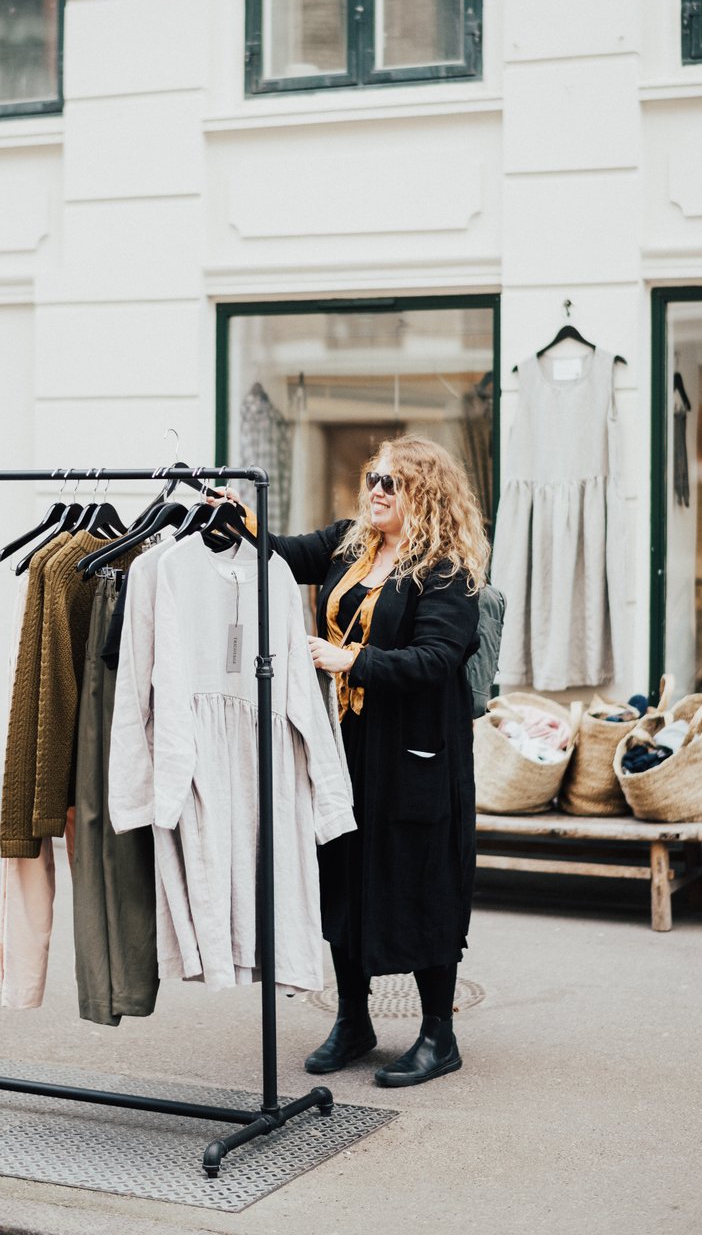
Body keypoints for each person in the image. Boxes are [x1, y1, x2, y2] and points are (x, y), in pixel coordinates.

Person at [215, 435, 488, 1088]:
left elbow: (436, 659)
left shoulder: (446, 570)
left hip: (417, 753)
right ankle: (354, 1019)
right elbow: (281, 554)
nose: (376, 490)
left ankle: (437, 1035)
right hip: (347, 743)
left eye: (392, 482)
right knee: (343, 872)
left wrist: (350, 659)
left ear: (424, 492)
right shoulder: (348, 543)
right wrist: (234, 519)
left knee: (420, 885)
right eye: (373, 477)